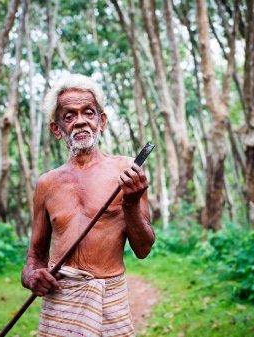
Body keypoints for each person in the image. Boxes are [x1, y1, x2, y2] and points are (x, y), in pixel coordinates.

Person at [21, 73, 155, 337]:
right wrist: (32, 277)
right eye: (69, 116)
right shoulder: (46, 184)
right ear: (57, 129)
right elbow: (35, 258)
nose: (80, 121)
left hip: (109, 298)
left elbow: (143, 249)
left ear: (101, 121)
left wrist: (131, 202)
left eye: (88, 112)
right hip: (62, 301)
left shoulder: (127, 171)